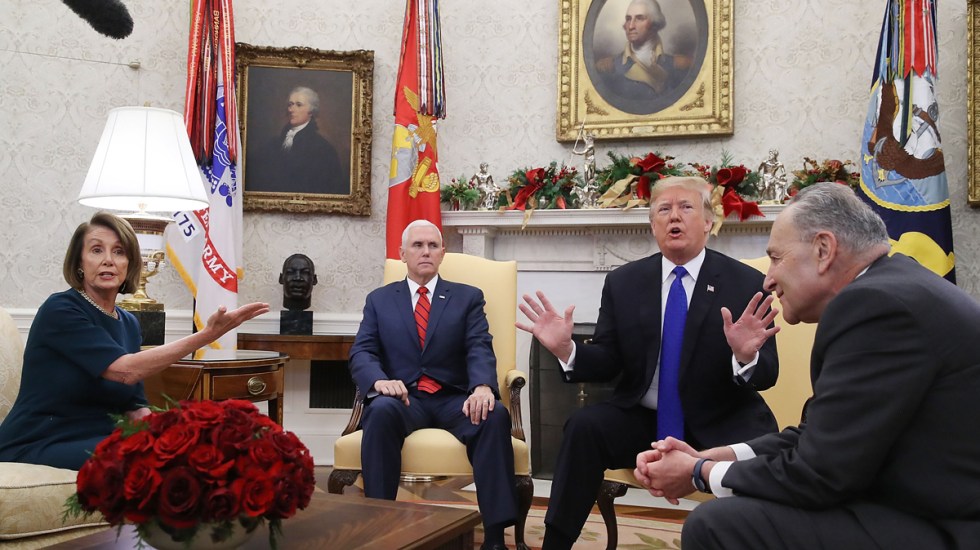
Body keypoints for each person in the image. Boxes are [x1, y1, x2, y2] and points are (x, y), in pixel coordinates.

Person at [634, 182, 980, 549]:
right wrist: (717, 457)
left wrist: (700, 473)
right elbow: (819, 434)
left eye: (776, 258)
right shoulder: (893, 288)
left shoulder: (876, 307)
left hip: (946, 527)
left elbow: (820, 474)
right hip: (918, 505)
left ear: (823, 250)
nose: (768, 280)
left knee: (718, 524)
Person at [517, 176, 780, 549]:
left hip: (720, 418)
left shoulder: (746, 282)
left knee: (764, 454)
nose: (674, 217)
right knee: (584, 427)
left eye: (686, 207)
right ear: (653, 224)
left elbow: (768, 374)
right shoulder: (625, 281)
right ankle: (555, 543)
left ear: (709, 221)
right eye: (664, 209)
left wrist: (746, 355)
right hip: (645, 419)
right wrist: (566, 350)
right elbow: (607, 360)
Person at [0, 212, 269, 470]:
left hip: (101, 438)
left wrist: (180, 434)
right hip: (40, 441)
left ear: (129, 264)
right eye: (96, 250)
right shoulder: (60, 310)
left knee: (199, 450)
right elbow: (125, 371)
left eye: (119, 252)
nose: (108, 260)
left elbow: (136, 409)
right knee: (145, 458)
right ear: (79, 264)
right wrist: (206, 335)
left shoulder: (128, 322)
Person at [348, 219, 518, 550]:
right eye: (417, 245)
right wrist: (380, 381)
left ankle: (495, 537)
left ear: (442, 253)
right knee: (379, 412)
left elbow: (479, 346)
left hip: (454, 399)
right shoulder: (379, 300)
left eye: (432, 245)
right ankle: (378, 525)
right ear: (402, 254)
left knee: (494, 414)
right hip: (403, 399)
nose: (425, 251)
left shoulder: (467, 297)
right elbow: (362, 351)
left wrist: (482, 387)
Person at [247, 86, 347, 195]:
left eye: (299, 105)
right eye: (290, 104)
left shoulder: (323, 149)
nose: (291, 109)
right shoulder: (274, 143)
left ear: (311, 111)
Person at [595, 0, 693, 102]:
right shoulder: (609, 68)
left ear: (655, 24)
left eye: (639, 18)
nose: (631, 26)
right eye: (628, 19)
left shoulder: (680, 66)